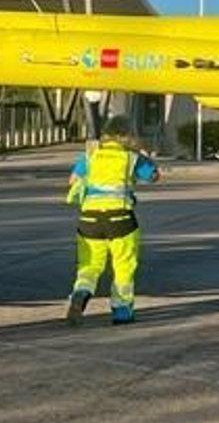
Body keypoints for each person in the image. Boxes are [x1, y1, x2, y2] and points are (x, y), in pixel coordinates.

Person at [64, 133, 160, 326]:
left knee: (89, 265)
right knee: (124, 265)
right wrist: (148, 158)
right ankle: (122, 311)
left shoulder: (91, 155)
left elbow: (72, 180)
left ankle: (80, 294)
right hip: (121, 219)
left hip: (89, 219)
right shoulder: (131, 157)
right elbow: (154, 176)